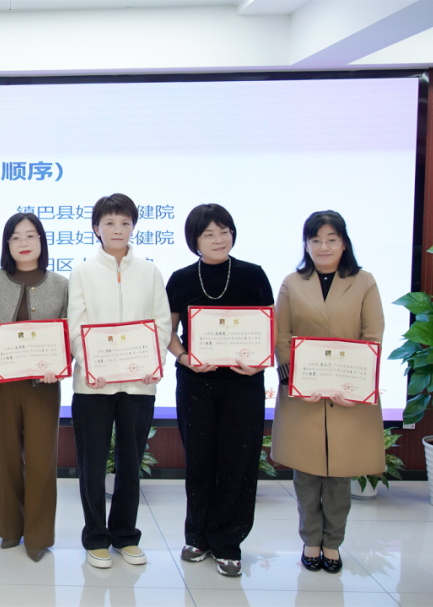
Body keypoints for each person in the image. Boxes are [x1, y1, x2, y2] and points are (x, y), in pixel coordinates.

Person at [271, 211, 384, 574]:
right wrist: (294, 380)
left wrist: (358, 385)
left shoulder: (364, 281)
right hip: (303, 393)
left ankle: (332, 543)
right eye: (316, 240)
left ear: (344, 243)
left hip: (349, 394)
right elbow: (282, 337)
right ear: (306, 244)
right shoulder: (292, 283)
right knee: (306, 472)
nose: (324, 246)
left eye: (331, 239)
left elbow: (372, 335)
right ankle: (310, 539)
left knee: (339, 472)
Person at [165, 203, 274, 577]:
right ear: (194, 240)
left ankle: (228, 542)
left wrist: (261, 362)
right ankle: (197, 536)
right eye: (208, 233)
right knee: (199, 462)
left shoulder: (253, 275)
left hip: (244, 384)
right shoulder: (181, 278)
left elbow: (269, 327)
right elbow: (168, 332)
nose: (218, 239)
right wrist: (184, 358)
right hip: (196, 383)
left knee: (238, 463)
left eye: (224, 231)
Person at [67, 194, 171, 569]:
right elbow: (75, 326)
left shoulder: (150, 271)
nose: (117, 229)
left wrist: (153, 361)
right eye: (109, 223)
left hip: (139, 384)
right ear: (96, 228)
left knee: (130, 462)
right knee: (92, 464)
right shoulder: (82, 272)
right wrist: (91, 365)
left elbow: (161, 322)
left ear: (133, 227)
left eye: (125, 223)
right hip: (93, 385)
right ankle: (96, 536)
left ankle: (126, 535)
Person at [0, 212, 67, 562]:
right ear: (7, 243)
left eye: (31, 235)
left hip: (44, 385)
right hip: (3, 383)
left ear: (42, 241)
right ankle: (11, 529)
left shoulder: (61, 284)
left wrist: (60, 364)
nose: (23, 242)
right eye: (16, 237)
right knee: (9, 456)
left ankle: (38, 537)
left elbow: (68, 332)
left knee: (41, 460)